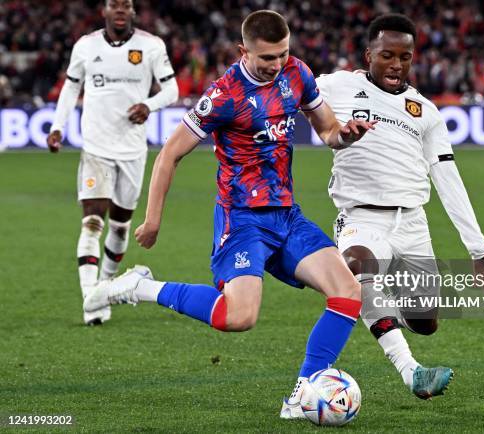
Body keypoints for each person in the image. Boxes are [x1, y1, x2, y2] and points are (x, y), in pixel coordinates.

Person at [83, 9, 375, 414]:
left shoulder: (297, 74)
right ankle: (141, 288)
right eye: (267, 58)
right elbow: (169, 154)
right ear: (243, 51)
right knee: (237, 317)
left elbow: (328, 130)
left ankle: (303, 393)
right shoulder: (224, 96)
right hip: (242, 220)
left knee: (348, 292)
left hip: (287, 215)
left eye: (283, 55)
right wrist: (152, 221)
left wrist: (345, 134)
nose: (277, 65)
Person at [283, 13, 484, 415]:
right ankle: (411, 370)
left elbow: (448, 179)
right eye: (387, 55)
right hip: (361, 218)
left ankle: (385, 314)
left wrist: (478, 247)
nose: (397, 65)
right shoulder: (337, 86)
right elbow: (287, 94)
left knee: (425, 321)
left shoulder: (425, 111)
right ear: (369, 54)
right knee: (357, 268)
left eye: (405, 57)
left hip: (413, 224)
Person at [46, 0, 178, 326]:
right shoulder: (86, 46)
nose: (120, 9)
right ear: (104, 10)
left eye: (126, 5)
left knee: (120, 226)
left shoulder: (150, 46)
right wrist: (57, 125)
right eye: (114, 4)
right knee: (92, 221)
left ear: (133, 11)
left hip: (132, 150)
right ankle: (92, 299)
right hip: (96, 147)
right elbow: (70, 88)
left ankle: (104, 286)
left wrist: (149, 105)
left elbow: (172, 90)